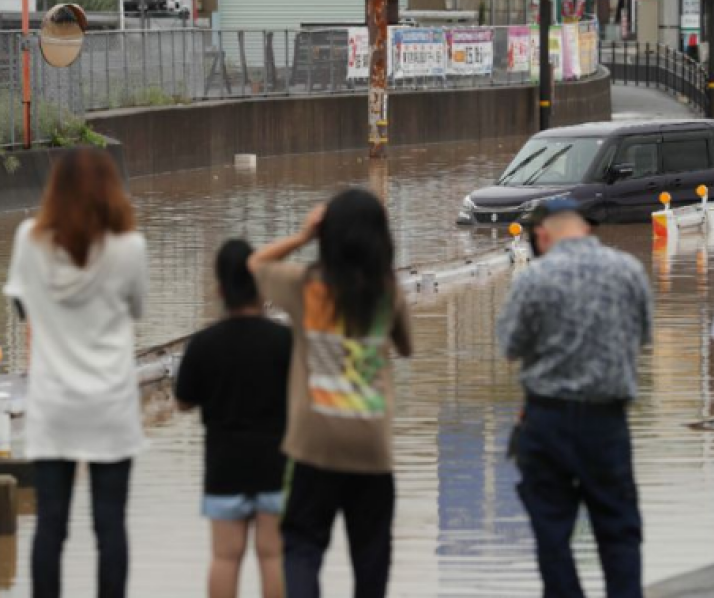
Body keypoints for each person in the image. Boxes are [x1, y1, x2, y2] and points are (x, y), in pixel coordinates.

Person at [248, 189, 413, 598]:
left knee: (302, 548)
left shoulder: (305, 286)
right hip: (372, 448)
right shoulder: (387, 291)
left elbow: (254, 265)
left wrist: (303, 236)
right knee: (371, 561)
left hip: (313, 446)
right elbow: (407, 346)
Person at [3, 148, 148, 598]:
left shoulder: (30, 238)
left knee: (51, 525)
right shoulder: (129, 247)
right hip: (111, 406)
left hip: (55, 406)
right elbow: (136, 308)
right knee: (110, 525)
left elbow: (20, 305)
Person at [497, 200, 652, 598]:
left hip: (546, 421)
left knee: (552, 532)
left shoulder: (532, 281)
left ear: (544, 235)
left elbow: (510, 347)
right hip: (607, 422)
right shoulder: (629, 271)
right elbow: (642, 336)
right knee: (618, 530)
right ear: (584, 229)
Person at [175, 239, 291, 598]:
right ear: (261, 286)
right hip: (276, 462)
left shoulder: (204, 344)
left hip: (224, 465)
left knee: (225, 557)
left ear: (220, 288)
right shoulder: (284, 340)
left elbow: (182, 401)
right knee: (273, 556)